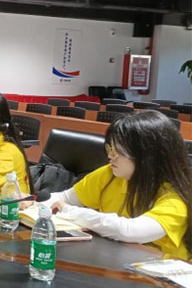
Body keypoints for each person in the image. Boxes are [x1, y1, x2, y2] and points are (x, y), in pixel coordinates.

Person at [39, 111, 190, 260]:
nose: (110, 156)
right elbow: (64, 198)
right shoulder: (110, 174)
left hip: (161, 271)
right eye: (110, 148)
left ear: (148, 158)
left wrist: (69, 211)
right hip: (117, 260)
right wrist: (32, 203)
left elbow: (129, 231)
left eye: (119, 152)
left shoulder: (174, 199)